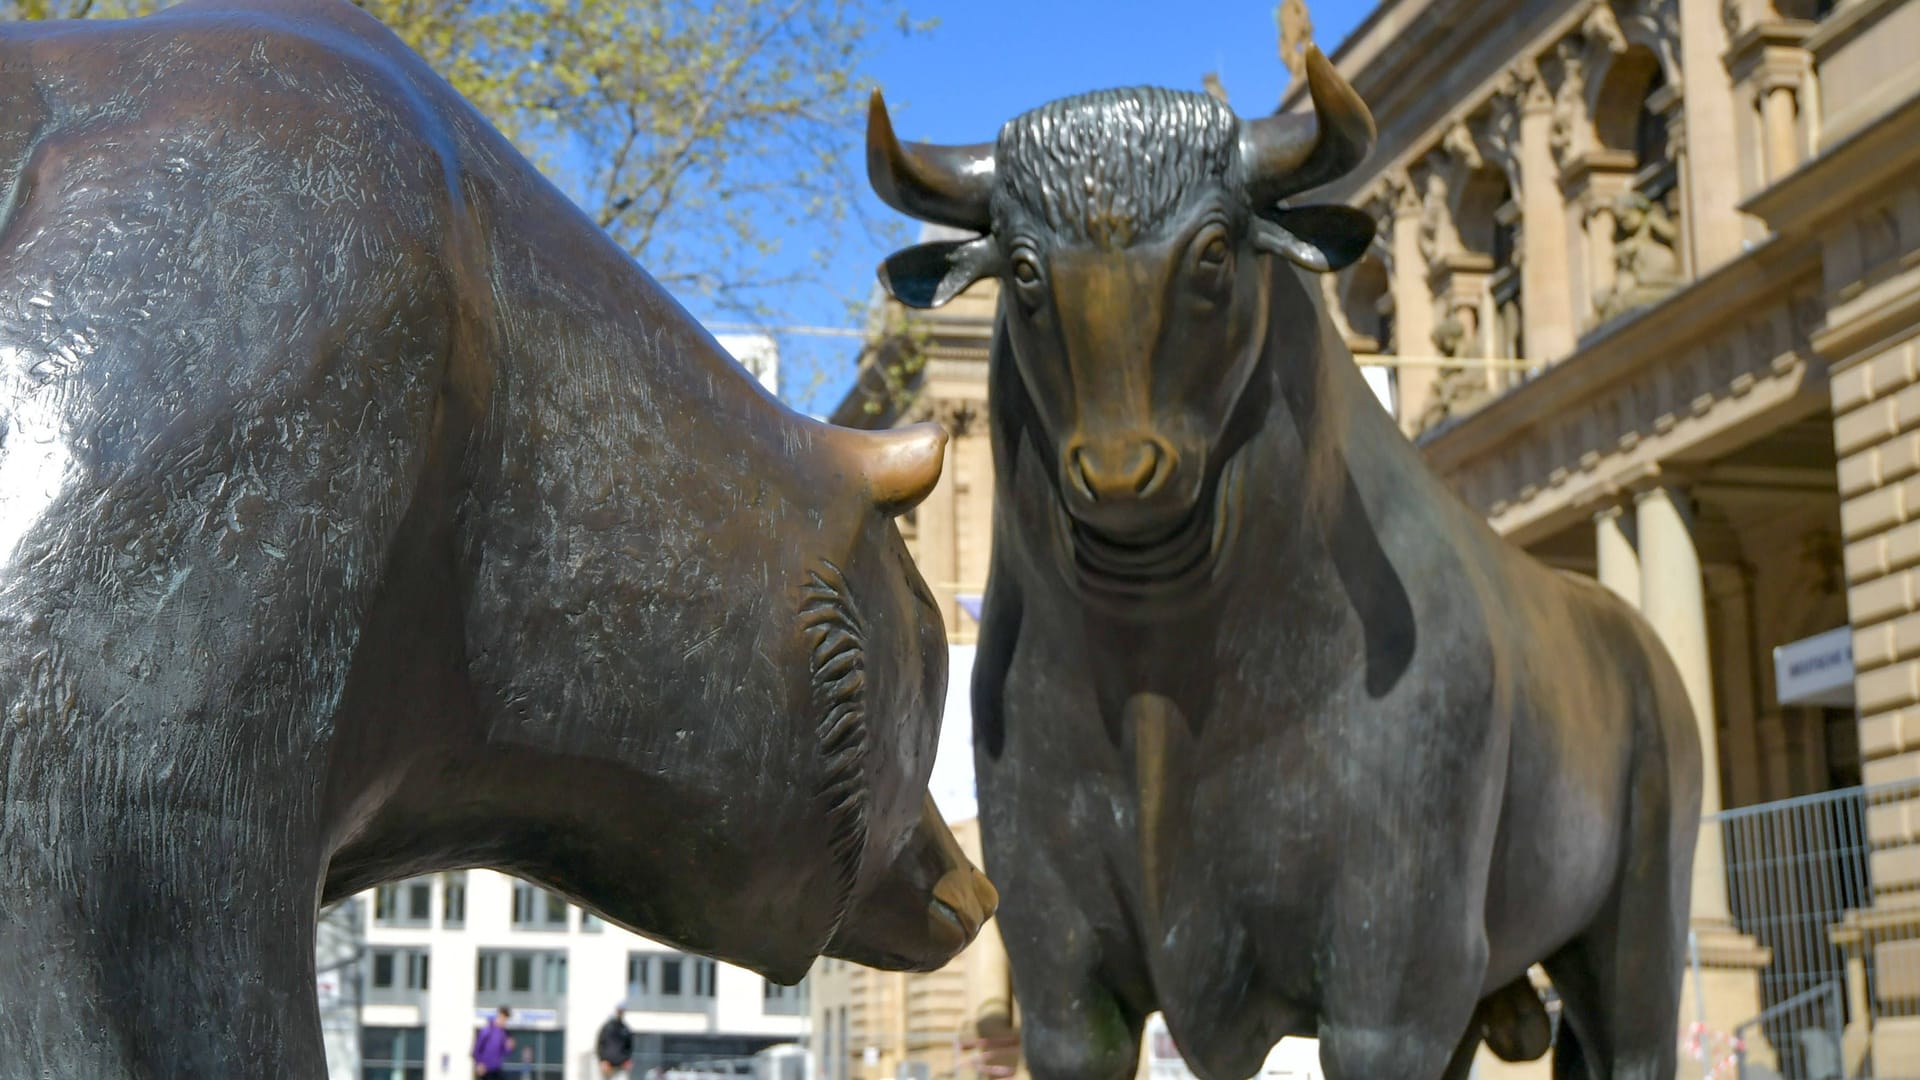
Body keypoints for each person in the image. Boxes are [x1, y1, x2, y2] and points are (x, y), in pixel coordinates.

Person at [473, 1006, 514, 1079]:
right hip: (485, 1070)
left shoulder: (503, 1033)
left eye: (506, 1019)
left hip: (496, 1069)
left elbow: (505, 1052)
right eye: (503, 1018)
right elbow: (477, 1049)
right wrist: (479, 1063)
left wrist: (510, 1047)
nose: (504, 1021)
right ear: (499, 1016)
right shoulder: (487, 1030)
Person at [597, 1004, 635, 1077]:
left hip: (621, 1066)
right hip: (607, 1066)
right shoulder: (607, 1028)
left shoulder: (625, 1028)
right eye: (619, 1011)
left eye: (622, 1011)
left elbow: (629, 1046)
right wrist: (602, 1060)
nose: (620, 1013)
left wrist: (627, 1059)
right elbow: (600, 1044)